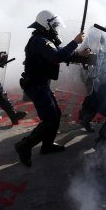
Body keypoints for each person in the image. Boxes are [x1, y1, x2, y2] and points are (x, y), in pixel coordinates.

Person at [15, 10, 87, 167]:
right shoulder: (39, 41)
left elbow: (61, 53)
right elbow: (57, 56)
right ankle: (24, 145)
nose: (56, 29)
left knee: (56, 115)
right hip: (36, 85)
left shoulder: (45, 40)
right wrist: (75, 42)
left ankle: (47, 145)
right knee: (49, 119)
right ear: (46, 25)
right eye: (54, 26)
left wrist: (78, 53)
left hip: (41, 84)